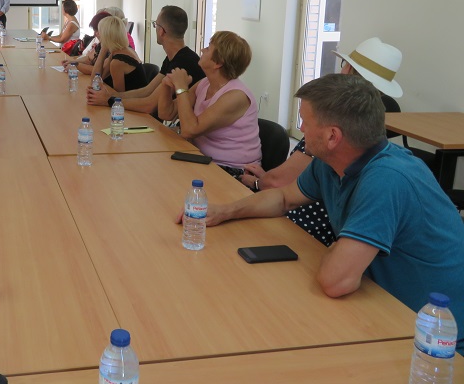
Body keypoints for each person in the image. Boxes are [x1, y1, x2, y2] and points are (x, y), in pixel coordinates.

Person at [199, 73, 464, 352]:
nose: (300, 127)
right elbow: (282, 198)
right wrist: (225, 211)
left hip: (435, 340)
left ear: (332, 136)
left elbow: (335, 281)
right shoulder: (333, 162)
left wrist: (338, 252)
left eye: (305, 120)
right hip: (382, 306)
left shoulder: (388, 179)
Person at [237, 37, 404, 246]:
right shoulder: (366, 131)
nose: (301, 128)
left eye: (305, 121)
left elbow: (278, 184)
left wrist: (258, 182)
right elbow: (290, 189)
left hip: (307, 230)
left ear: (349, 69)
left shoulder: (327, 128)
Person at [158, 30, 261, 173]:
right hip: (202, 159)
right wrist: (166, 84)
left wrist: (181, 88)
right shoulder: (205, 83)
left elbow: (189, 130)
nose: (202, 49)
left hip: (233, 170)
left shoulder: (236, 96)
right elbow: (166, 113)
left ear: (218, 63)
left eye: (208, 48)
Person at [87, 5, 205, 116]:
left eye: (155, 25)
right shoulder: (176, 57)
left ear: (161, 31)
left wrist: (109, 100)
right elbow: (147, 90)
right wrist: (113, 95)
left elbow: (149, 104)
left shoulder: (182, 63)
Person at [93, 15, 147, 92]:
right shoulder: (124, 50)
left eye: (99, 31)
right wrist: (103, 50)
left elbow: (118, 97)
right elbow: (97, 79)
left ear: (106, 35)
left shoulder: (117, 62)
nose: (97, 34)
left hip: (133, 102)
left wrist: (103, 49)